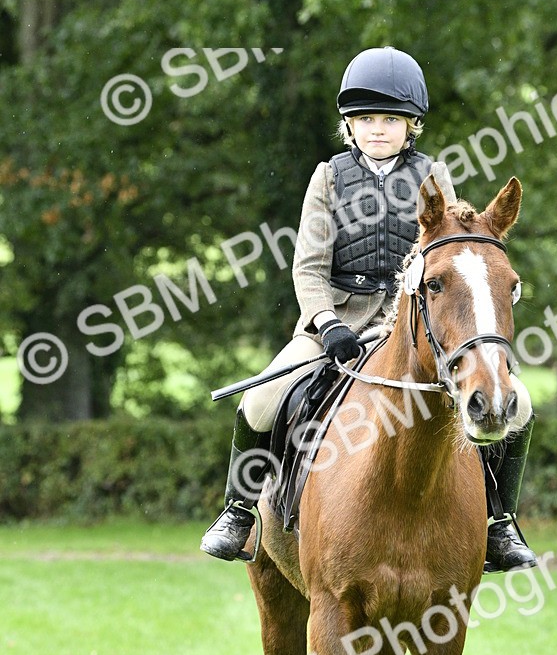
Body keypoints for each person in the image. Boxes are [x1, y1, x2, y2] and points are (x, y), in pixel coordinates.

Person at [200, 46, 537, 570]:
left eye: (389, 120)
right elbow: (308, 269)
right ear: (348, 126)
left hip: (410, 324)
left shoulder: (433, 177)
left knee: (517, 404)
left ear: (411, 126)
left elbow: (442, 256)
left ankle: (498, 523)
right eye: (364, 120)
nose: (377, 130)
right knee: (262, 401)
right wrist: (328, 324)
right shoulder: (328, 177)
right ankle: (240, 512)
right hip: (334, 322)